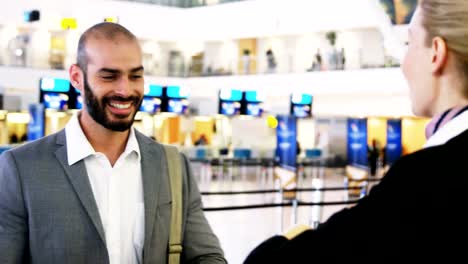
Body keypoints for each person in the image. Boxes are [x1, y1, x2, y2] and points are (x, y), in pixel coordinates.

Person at [245, 0, 468, 262]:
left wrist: (292, 236)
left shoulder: (424, 180)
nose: (403, 65)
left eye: (409, 45)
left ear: (436, 53)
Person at [0, 22, 226, 263]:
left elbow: (206, 256)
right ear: (77, 77)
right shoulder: (21, 169)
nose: (125, 90)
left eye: (135, 76)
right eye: (109, 76)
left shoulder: (172, 165)